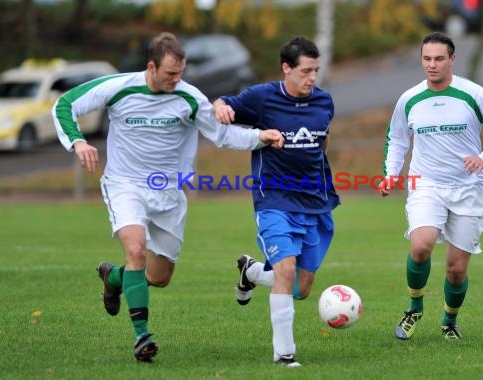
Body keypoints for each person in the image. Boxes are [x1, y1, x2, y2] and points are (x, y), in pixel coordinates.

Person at [51, 32, 283, 363]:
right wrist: (78, 141)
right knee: (136, 250)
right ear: (151, 66)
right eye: (171, 74)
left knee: (159, 277)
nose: (177, 80)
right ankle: (142, 336)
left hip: (170, 193)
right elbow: (64, 104)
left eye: (181, 73)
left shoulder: (189, 97)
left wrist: (260, 136)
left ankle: (112, 277)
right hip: (125, 184)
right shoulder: (119, 87)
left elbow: (220, 134)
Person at [381, 31, 483, 341]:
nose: (432, 65)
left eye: (439, 59)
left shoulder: (472, 93)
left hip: (468, 189)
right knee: (421, 245)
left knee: (456, 270)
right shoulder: (409, 98)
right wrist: (391, 174)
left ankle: (449, 320)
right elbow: (397, 138)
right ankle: (414, 308)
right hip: (426, 185)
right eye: (426, 59)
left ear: (452, 59)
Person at [213, 36, 340, 367]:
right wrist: (221, 107)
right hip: (274, 200)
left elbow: (320, 146)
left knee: (301, 287)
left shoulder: (325, 102)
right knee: (284, 270)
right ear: (286, 68)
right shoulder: (262, 98)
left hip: (315, 201)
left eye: (316, 71)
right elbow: (223, 102)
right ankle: (285, 355)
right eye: (306, 71)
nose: (312, 78)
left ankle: (252, 272)